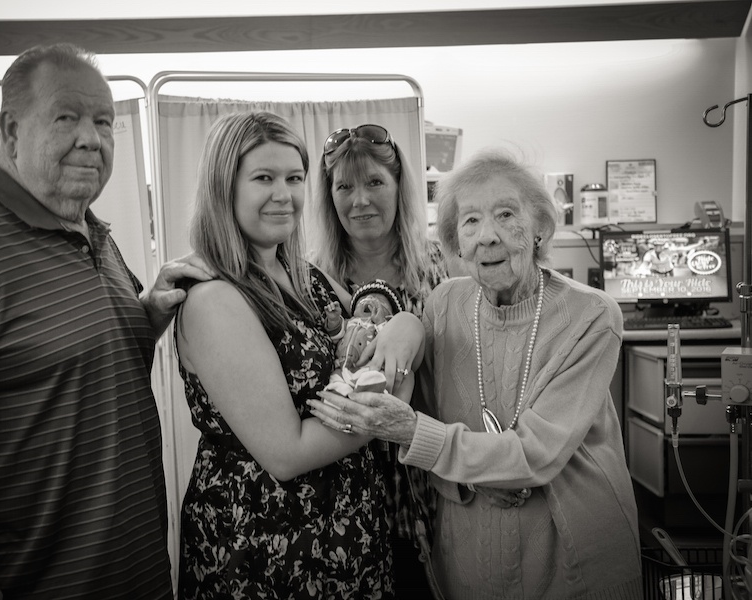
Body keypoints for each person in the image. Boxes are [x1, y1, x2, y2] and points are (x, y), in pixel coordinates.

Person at [0, 43, 212, 600]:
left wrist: (146, 312)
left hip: (140, 572)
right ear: (10, 131)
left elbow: (84, 361)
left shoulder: (94, 232)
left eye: (104, 122)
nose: (91, 138)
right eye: (66, 118)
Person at [309, 149, 643, 599]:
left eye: (506, 214)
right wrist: (470, 474)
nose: (487, 236)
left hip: (571, 553)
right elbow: (425, 413)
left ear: (540, 227)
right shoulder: (445, 303)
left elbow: (537, 453)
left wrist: (416, 434)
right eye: (470, 222)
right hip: (469, 553)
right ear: (456, 245)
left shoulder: (591, 315)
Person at [175, 111, 422, 599]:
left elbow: (382, 356)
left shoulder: (310, 278)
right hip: (270, 545)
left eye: (294, 177)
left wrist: (408, 326)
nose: (283, 194)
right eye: (263, 178)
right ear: (225, 187)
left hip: (351, 533)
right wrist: (388, 414)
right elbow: (288, 454)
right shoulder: (216, 299)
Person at [310, 123, 451, 594]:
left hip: (428, 471)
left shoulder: (440, 265)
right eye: (344, 186)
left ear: (398, 187)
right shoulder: (311, 278)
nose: (360, 200)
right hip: (342, 481)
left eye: (374, 183)